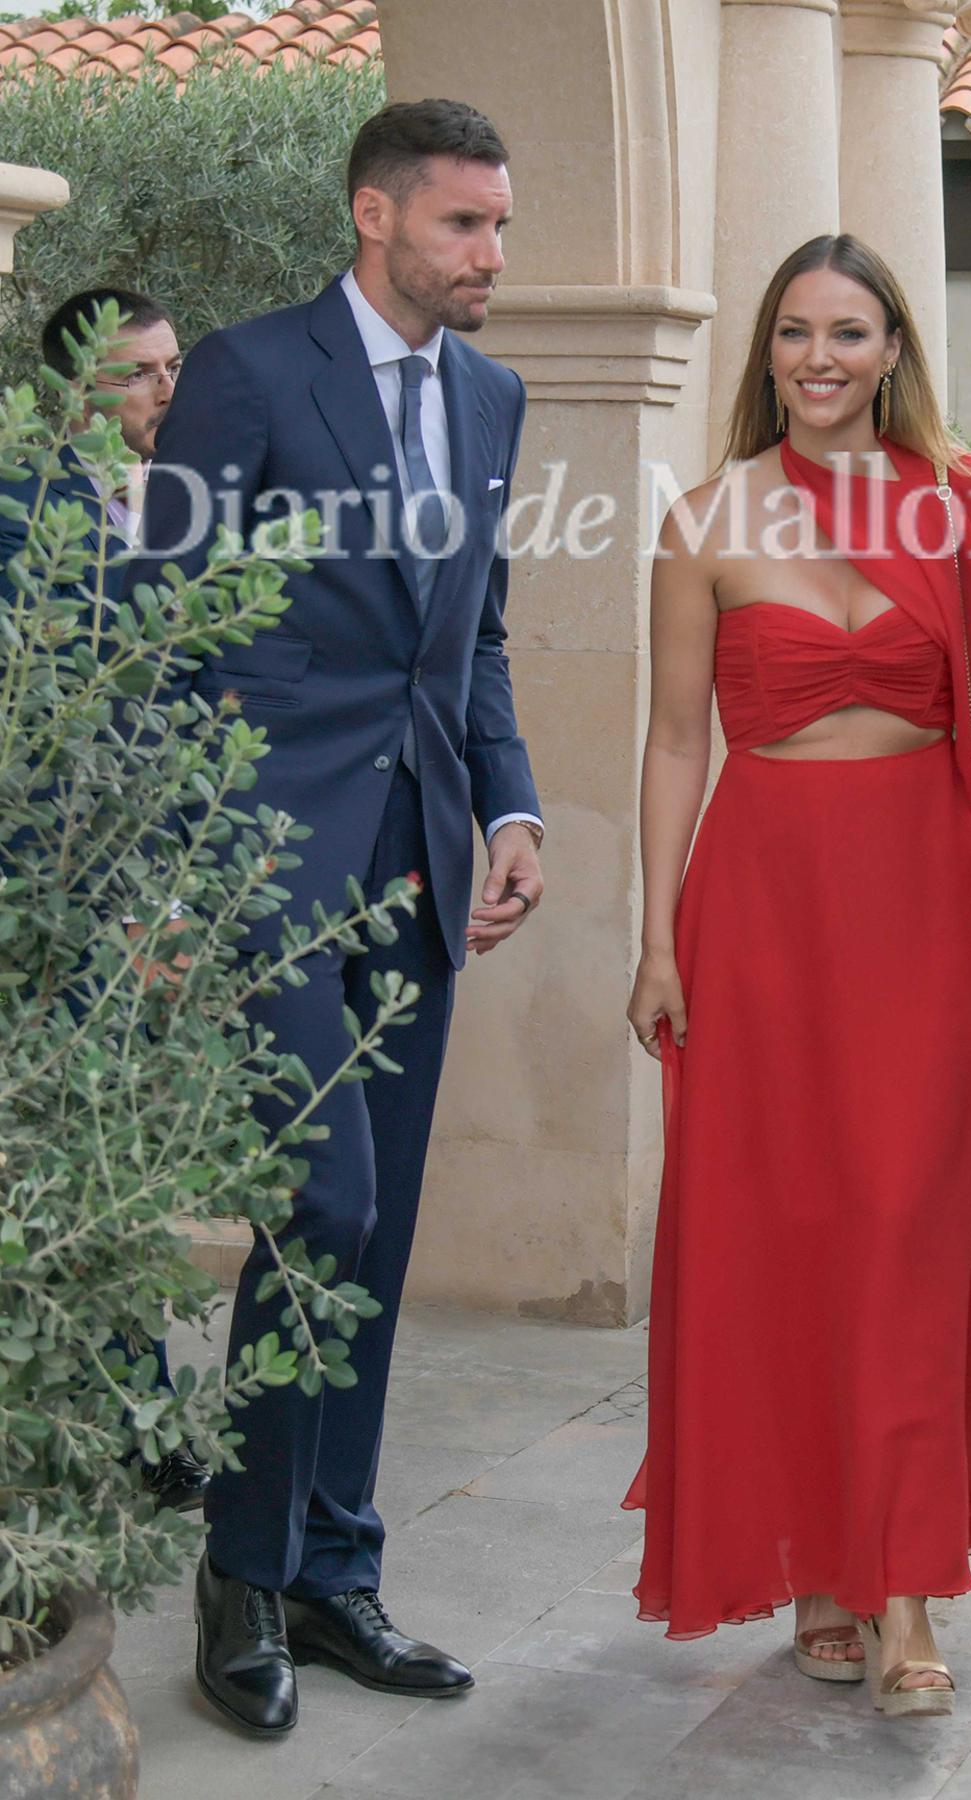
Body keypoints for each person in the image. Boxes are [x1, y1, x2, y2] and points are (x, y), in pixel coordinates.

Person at [624, 233, 971, 1719]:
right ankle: (822, 1562)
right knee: (791, 1228)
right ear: (767, 353)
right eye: (797, 334)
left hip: (918, 905)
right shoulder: (702, 520)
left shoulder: (960, 510)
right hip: (759, 914)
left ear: (895, 352)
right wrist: (652, 938)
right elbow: (677, 740)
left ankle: (903, 1600)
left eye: (852, 333)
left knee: (902, 1228)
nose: (821, 360)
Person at [126, 100, 544, 1736]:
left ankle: (334, 1567)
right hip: (267, 852)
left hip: (422, 856)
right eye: (464, 228)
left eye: (502, 229)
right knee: (328, 1201)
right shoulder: (243, 369)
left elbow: (476, 641)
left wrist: (507, 806)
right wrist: (172, 866)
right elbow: (160, 627)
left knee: (379, 1227)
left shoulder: (494, 395)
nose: (491, 257)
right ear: (376, 218)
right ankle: (244, 1570)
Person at [0, 287, 209, 1515]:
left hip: (166, 880)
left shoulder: (194, 508)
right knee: (75, 1162)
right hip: (55, 892)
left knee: (127, 1164)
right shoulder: (21, 513)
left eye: (175, 366)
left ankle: (128, 1416)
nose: (166, 394)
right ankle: (125, 1426)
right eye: (140, 374)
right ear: (78, 389)